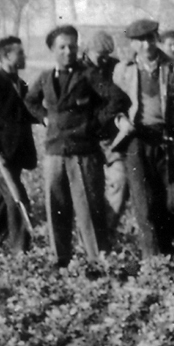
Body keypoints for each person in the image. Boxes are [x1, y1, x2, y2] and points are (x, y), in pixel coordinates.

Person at [25, 25, 129, 268]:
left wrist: (94, 123)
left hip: (83, 151)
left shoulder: (89, 75)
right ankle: (60, 258)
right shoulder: (45, 77)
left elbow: (118, 99)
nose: (68, 51)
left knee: (89, 208)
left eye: (72, 46)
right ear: (52, 49)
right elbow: (30, 100)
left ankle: (96, 259)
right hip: (54, 151)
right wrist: (44, 117)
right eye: (62, 47)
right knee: (56, 205)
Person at [112, 19, 174, 257]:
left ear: (156, 39)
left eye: (150, 39)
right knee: (144, 203)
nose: (146, 45)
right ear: (132, 44)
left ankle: (164, 242)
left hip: (169, 139)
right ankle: (154, 259)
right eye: (140, 41)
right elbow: (113, 106)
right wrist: (121, 120)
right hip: (137, 140)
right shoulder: (123, 70)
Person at [0, 36, 39, 253]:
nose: (24, 56)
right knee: (16, 197)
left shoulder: (21, 84)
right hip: (0, 153)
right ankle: (21, 249)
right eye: (19, 53)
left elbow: (27, 112)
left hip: (17, 151)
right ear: (5, 57)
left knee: (1, 199)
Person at [81, 30, 127, 232]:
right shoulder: (78, 70)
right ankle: (90, 235)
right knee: (90, 188)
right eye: (100, 55)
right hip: (85, 139)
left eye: (108, 55)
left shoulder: (114, 66)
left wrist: (103, 118)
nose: (105, 60)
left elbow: (121, 97)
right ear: (87, 51)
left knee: (120, 180)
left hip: (111, 138)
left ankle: (106, 232)